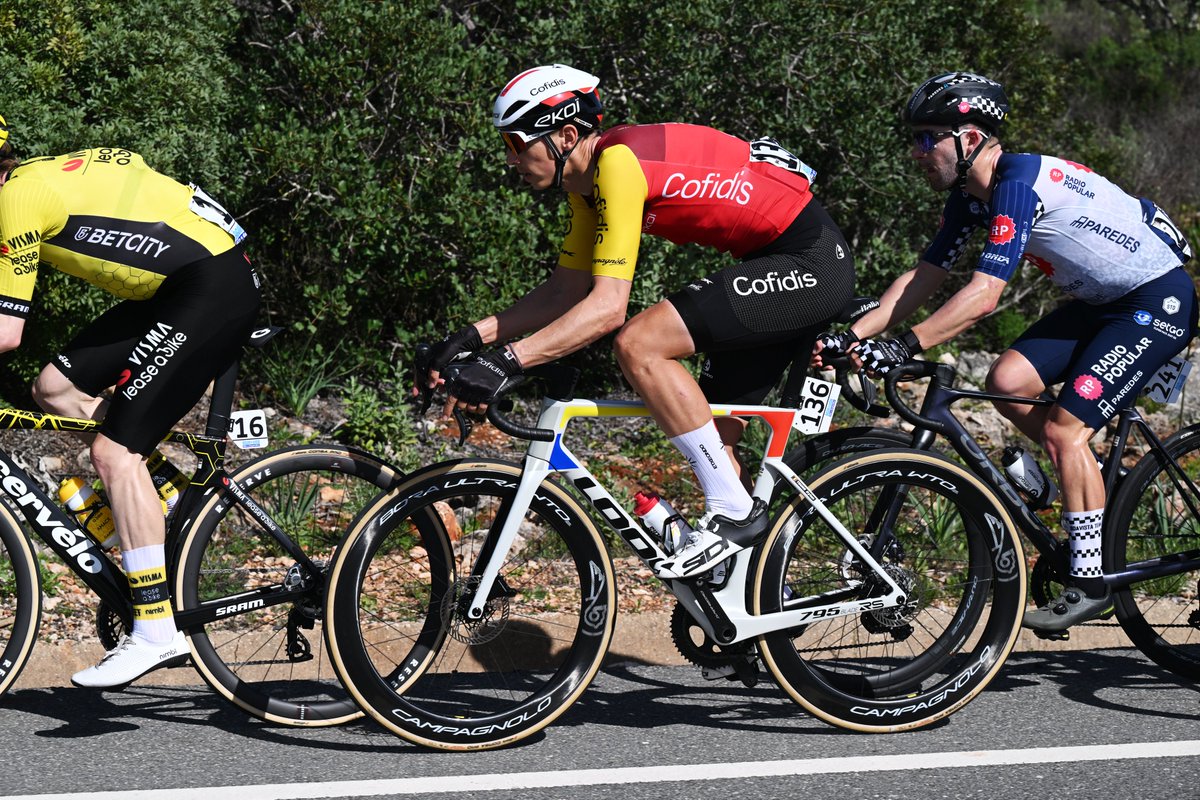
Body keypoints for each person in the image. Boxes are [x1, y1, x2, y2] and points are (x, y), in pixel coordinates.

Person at [422, 64, 855, 580]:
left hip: (811, 261)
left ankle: (735, 514)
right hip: (772, 260)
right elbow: (566, 291)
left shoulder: (617, 167)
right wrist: (472, 337)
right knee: (714, 434)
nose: (510, 158)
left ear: (565, 136)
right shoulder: (586, 186)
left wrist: (505, 362)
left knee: (640, 343)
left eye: (517, 143)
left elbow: (607, 309)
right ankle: (741, 610)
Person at [815, 72, 1195, 632]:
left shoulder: (1016, 185)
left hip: (1155, 299)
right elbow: (923, 278)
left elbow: (984, 296)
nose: (916, 152)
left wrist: (904, 345)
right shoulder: (973, 198)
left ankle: (1090, 579)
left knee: (1067, 430)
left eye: (927, 138)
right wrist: (855, 337)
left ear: (968, 139)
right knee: (1006, 382)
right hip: (1100, 302)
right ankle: (1072, 484)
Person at [0, 115, 262, 686]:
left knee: (113, 455)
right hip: (182, 283)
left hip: (210, 284)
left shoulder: (17, 201)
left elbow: (5, 333)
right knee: (55, 390)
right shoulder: (29, 180)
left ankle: (154, 631)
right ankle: (155, 505)